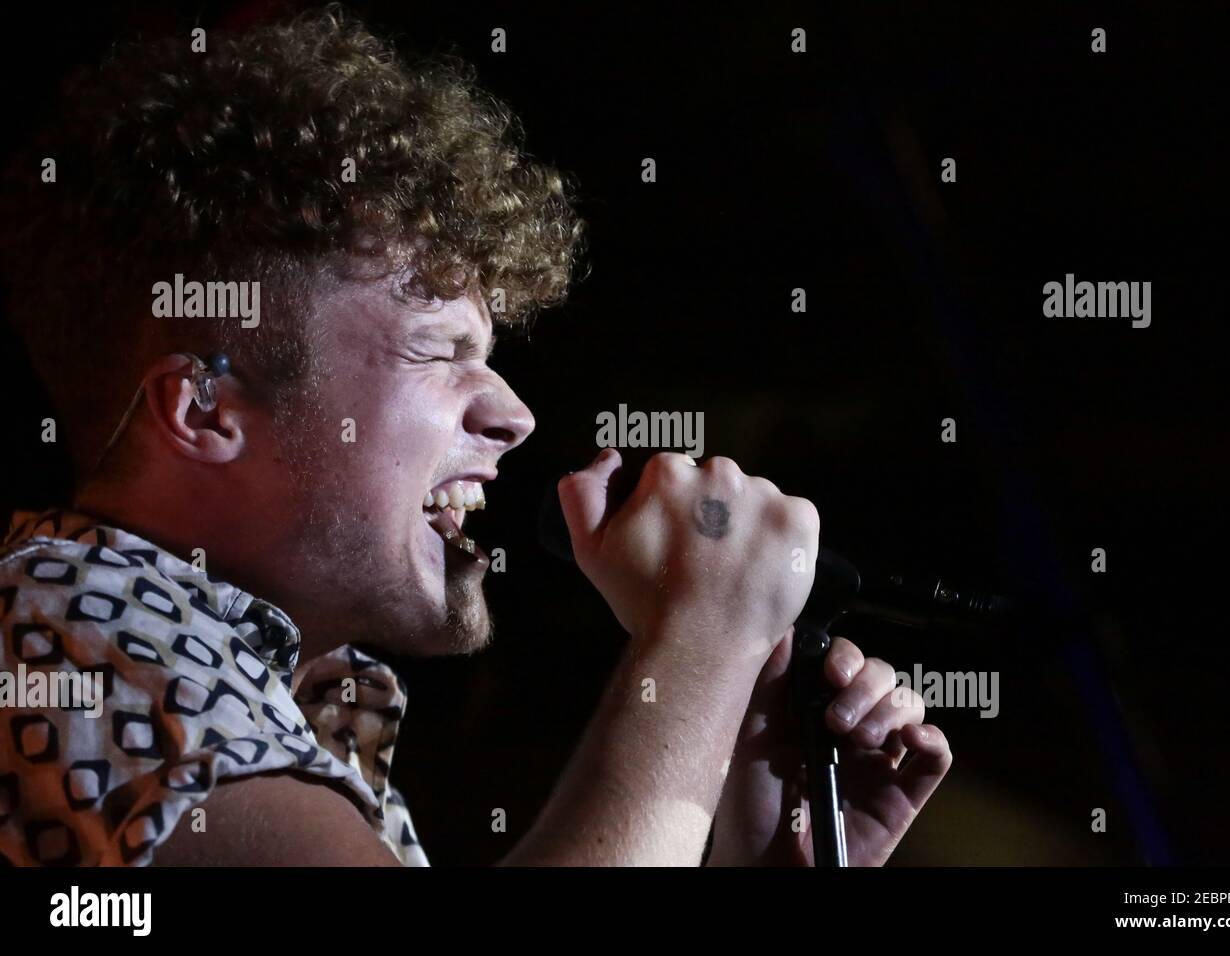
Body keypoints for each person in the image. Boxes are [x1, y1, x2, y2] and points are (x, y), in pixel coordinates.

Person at [0, 6, 950, 866]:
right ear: (207, 410)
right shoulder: (70, 639)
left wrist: (758, 850)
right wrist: (701, 638)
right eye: (435, 353)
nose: (513, 414)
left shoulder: (301, 695)